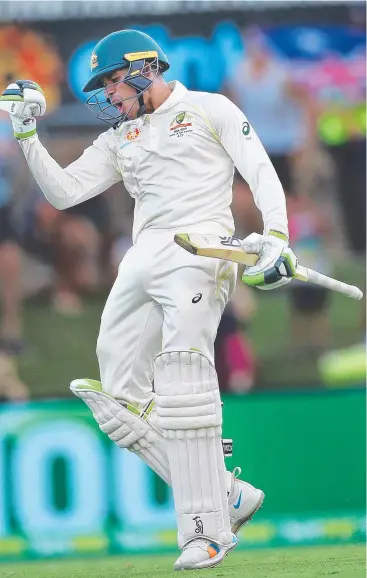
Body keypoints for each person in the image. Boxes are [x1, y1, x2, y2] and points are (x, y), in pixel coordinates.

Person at [0, 30, 298, 570]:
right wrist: (26, 133)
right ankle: (224, 490)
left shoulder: (210, 109)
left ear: (144, 70)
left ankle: (206, 531)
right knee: (117, 398)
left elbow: (261, 171)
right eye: (104, 86)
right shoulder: (122, 137)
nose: (109, 95)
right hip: (144, 254)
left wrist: (277, 238)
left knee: (184, 378)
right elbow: (65, 192)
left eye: (113, 82)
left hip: (200, 245)